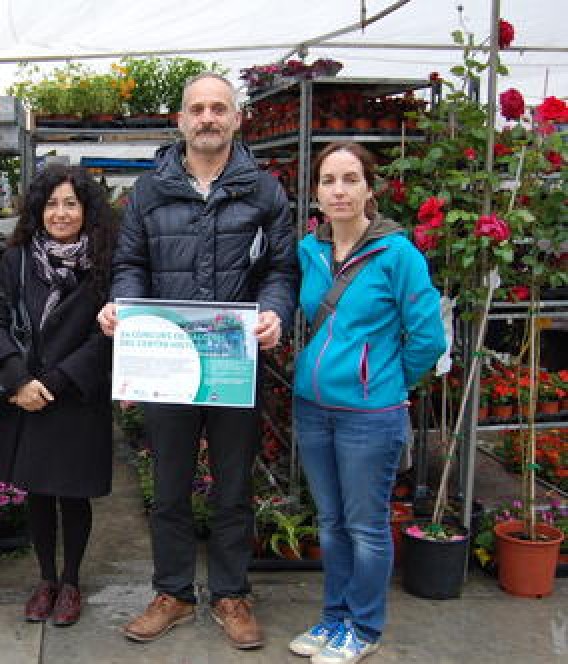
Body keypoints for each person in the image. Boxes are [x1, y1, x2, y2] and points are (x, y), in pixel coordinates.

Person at [97, 73, 299, 650]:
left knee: (234, 484)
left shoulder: (264, 191)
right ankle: (174, 593)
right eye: (196, 109)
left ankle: (232, 594)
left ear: (237, 119)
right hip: (169, 364)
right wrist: (124, 306)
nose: (207, 118)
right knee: (169, 485)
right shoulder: (149, 191)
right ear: (180, 120)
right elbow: (130, 262)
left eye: (219, 108)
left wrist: (274, 313)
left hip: (235, 362)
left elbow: (281, 270)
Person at [289, 142, 446, 664]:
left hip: (369, 416)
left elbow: (427, 336)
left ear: (368, 188)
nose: (339, 190)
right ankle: (333, 620)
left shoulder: (397, 254)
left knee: (366, 526)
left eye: (350, 179)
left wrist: (382, 383)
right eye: (329, 180)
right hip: (312, 408)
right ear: (315, 191)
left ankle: (364, 626)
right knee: (331, 523)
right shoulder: (309, 251)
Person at [0, 165, 116, 627]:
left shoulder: (105, 262)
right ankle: (46, 579)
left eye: (70, 203)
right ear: (37, 209)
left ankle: (72, 582)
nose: (60, 212)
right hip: (26, 392)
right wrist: (17, 380)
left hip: (74, 395)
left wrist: (55, 382)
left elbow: (106, 338)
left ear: (86, 210)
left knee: (72, 495)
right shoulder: (15, 259)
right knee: (37, 492)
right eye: (51, 203)